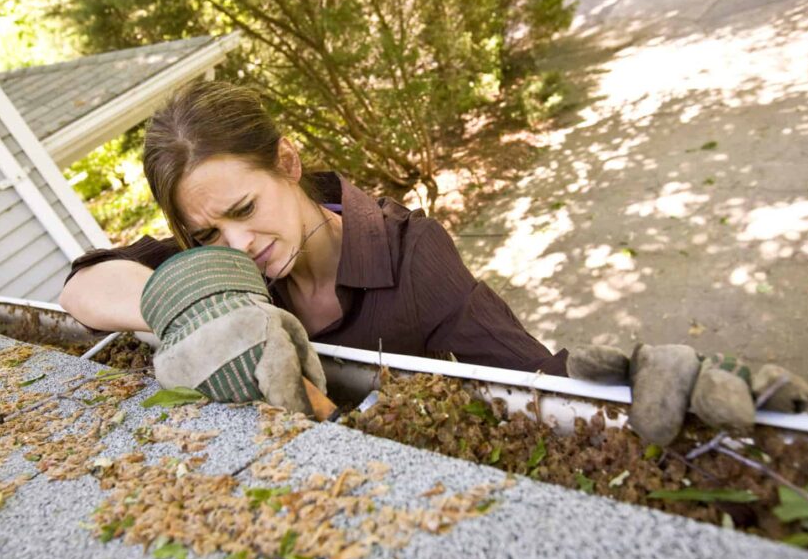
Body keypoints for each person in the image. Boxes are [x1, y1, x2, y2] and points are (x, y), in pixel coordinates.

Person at [59, 80, 568, 377]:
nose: (237, 247)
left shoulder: (414, 255)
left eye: (244, 209)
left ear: (287, 162)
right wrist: (195, 310)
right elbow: (82, 286)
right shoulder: (220, 266)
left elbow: (536, 379)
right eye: (208, 235)